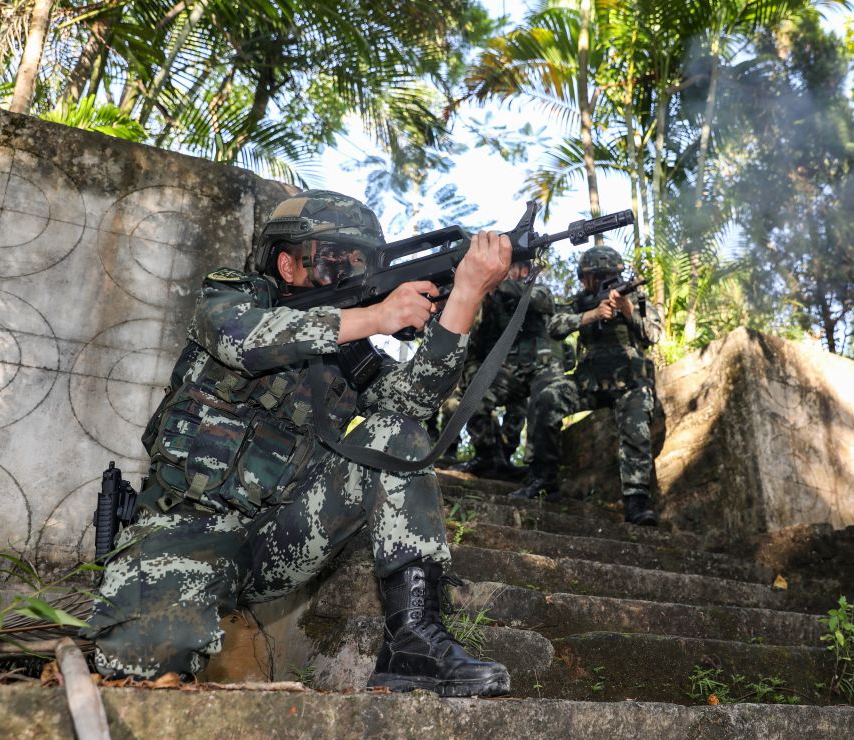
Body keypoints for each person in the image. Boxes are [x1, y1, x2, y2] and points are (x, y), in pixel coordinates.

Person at [83, 190, 513, 698]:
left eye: (360, 263)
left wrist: (464, 297)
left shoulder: (350, 352)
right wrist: (376, 318)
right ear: (287, 264)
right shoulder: (233, 296)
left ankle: (413, 642)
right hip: (187, 528)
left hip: (283, 537)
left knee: (396, 435)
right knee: (133, 673)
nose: (349, 274)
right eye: (334, 261)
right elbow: (243, 339)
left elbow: (411, 404)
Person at [509, 245, 662, 526]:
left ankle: (637, 500)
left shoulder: (636, 298)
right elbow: (555, 326)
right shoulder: (582, 301)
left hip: (629, 383)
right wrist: (590, 315)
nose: (585, 283)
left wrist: (628, 311)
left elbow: (653, 334)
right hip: (589, 383)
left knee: (637, 421)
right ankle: (543, 480)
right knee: (548, 397)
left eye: (589, 278)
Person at [452, 260, 562, 480]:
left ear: (524, 270)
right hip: (509, 371)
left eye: (512, 268)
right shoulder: (495, 301)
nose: (508, 273)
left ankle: (531, 469)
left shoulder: (537, 290)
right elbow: (480, 338)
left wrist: (496, 282)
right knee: (476, 398)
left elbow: (542, 301)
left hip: (539, 370)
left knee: (526, 412)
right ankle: (489, 458)